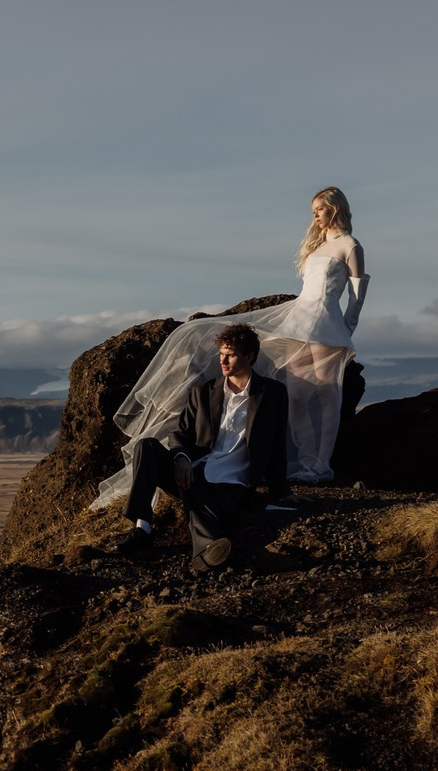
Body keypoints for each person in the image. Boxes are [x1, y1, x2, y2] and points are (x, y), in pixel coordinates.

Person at [92, 187, 369, 509]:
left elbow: (357, 288)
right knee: (297, 395)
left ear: (336, 209)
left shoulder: (350, 245)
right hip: (300, 318)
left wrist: (350, 323)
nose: (316, 216)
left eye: (320, 209)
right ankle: (308, 461)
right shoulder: (318, 245)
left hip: (328, 323)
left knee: (327, 395)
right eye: (313, 211)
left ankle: (321, 465)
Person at [112, 322, 291, 573]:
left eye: (230, 355)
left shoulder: (272, 393)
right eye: (221, 354)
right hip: (193, 468)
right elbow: (181, 434)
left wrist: (280, 491)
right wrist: (182, 458)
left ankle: (205, 555)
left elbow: (276, 443)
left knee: (200, 500)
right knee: (147, 446)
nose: (223, 360)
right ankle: (143, 527)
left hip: (232, 479)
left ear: (250, 356)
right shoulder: (203, 392)